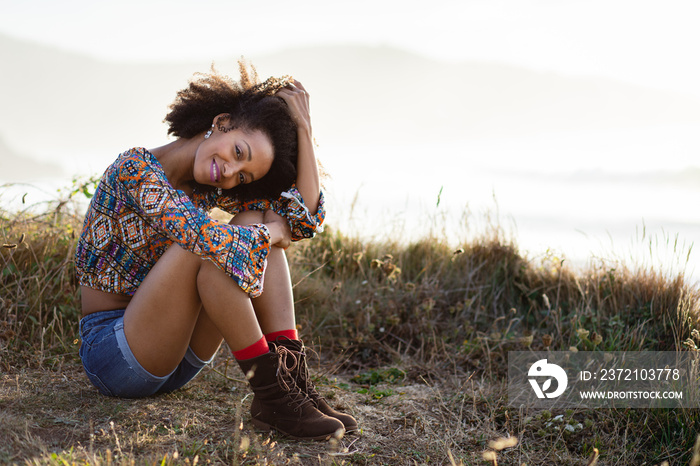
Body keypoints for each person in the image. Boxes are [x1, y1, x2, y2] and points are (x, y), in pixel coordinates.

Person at [74, 62, 357, 441]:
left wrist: (304, 131)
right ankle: (272, 394)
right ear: (221, 121)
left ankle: (291, 384)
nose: (230, 172)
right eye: (238, 151)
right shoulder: (135, 169)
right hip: (114, 356)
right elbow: (207, 238)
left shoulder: (210, 187)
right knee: (206, 246)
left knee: (251, 216)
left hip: (179, 359)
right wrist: (273, 231)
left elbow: (301, 220)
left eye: (243, 175)